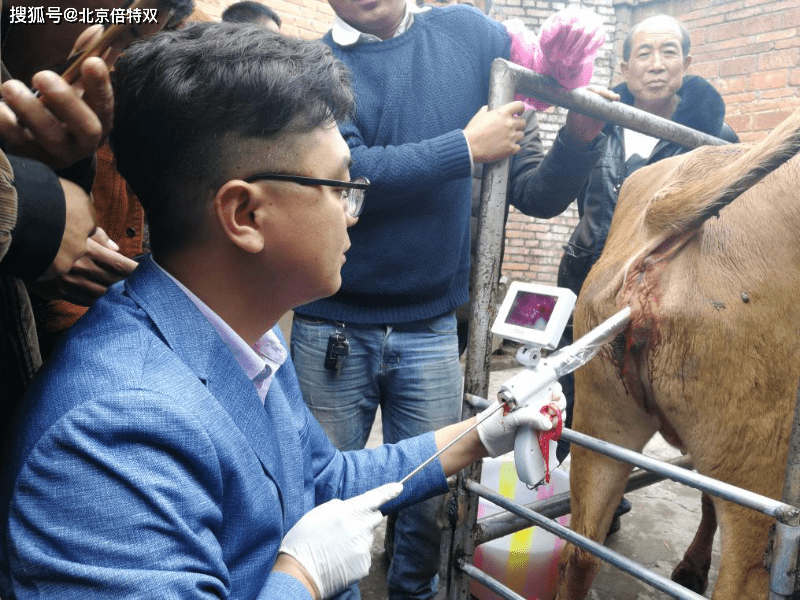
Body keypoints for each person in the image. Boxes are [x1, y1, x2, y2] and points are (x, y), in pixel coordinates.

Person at [0, 23, 564, 600]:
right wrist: (302, 577)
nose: (352, 213)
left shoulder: (245, 336)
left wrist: (482, 431)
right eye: (340, 186)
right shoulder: (116, 435)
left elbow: (322, 480)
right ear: (244, 214)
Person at [289, 3, 604, 598]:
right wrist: (463, 147)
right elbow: (348, 174)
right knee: (323, 497)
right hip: (333, 319)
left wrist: (580, 132)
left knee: (430, 495)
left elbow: (534, 192)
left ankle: (415, 593)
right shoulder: (313, 64)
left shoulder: (472, 35)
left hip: (432, 325)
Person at [548, 14, 739, 468]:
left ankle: (615, 488)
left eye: (669, 52)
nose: (656, 64)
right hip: (588, 281)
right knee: (572, 393)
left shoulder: (716, 140)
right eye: (645, 53)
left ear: (687, 62)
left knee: (648, 399)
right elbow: (548, 193)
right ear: (626, 64)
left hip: (671, 291)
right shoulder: (597, 121)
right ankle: (569, 497)